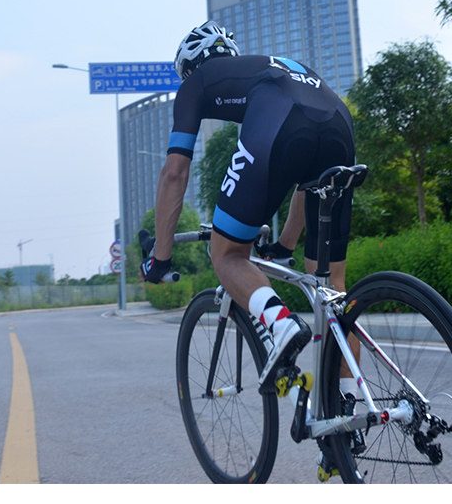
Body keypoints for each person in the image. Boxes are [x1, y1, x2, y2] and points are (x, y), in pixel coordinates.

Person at [140, 21, 357, 394]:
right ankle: (350, 409)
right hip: (339, 123)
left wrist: (160, 258)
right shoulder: (273, 68)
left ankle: (281, 324)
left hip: (281, 121)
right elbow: (307, 183)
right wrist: (284, 246)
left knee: (227, 254)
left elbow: (174, 173)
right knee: (332, 287)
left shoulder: (196, 82)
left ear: (190, 68)